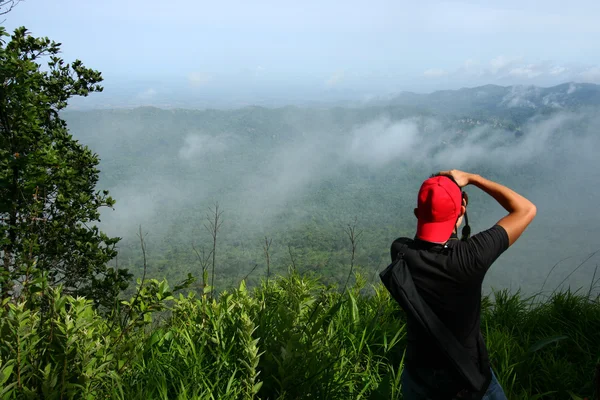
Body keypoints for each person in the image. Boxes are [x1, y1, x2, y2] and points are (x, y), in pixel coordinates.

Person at [390, 169, 536, 400]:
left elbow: (426, 244)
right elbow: (526, 209)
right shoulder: (471, 258)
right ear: (462, 210)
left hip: (418, 375)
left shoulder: (400, 251)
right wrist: (474, 179)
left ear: (417, 213)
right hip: (467, 379)